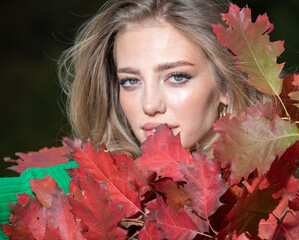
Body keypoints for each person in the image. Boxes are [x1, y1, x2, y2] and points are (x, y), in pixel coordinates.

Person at [0, 0, 263, 238]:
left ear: (225, 87)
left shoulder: (269, 206)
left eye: (177, 76)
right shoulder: (73, 192)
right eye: (130, 81)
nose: (149, 104)